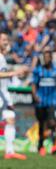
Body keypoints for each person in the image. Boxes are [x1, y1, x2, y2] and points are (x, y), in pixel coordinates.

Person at [0, 32, 27, 160]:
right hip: (1, 96)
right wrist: (14, 73)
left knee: (10, 119)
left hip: (4, 95)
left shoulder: (3, 57)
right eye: (4, 39)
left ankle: (9, 151)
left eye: (7, 39)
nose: (6, 41)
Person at [31, 49, 56, 156]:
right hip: (41, 101)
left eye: (48, 57)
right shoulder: (38, 70)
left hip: (52, 100)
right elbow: (34, 84)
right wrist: (35, 96)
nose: (47, 59)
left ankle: (54, 145)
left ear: (51, 58)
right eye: (45, 57)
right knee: (41, 124)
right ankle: (41, 146)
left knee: (52, 122)